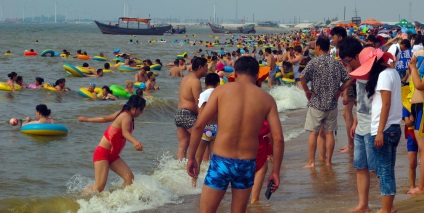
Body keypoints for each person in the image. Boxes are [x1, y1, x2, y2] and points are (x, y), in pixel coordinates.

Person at [186, 56, 284, 213]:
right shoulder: (267, 99)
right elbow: (278, 139)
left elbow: (198, 126)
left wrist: (191, 158)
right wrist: (275, 172)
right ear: (257, 75)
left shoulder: (221, 91)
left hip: (221, 163)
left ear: (235, 73)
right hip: (246, 164)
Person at [352, 46, 402, 213]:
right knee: (387, 169)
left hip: (385, 129)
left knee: (384, 171)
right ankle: (389, 207)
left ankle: (386, 209)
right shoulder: (392, 72)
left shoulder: (383, 76)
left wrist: (379, 131)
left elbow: (385, 104)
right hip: (393, 127)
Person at [338, 40, 379, 212]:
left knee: (377, 167)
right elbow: (361, 101)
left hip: (373, 126)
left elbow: (379, 101)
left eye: (348, 61)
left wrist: (380, 129)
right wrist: (355, 121)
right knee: (360, 167)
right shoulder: (359, 72)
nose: (348, 65)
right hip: (361, 123)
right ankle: (363, 205)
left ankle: (388, 205)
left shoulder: (374, 72)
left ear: (357, 56)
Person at [300, 35, 352, 168]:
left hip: (316, 103)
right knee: (329, 133)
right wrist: (340, 90)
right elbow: (349, 79)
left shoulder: (314, 62)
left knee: (314, 132)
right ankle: (328, 161)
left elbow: (302, 77)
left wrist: (307, 91)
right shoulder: (335, 63)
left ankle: (312, 162)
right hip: (332, 103)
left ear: (318, 47)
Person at [81, 95, 146, 193]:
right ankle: (81, 199)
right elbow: (125, 133)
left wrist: (86, 119)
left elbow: (105, 118)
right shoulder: (126, 116)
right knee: (99, 187)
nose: (141, 112)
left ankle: (118, 200)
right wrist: (135, 142)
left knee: (129, 178)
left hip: (113, 155)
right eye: (141, 109)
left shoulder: (123, 114)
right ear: (133, 108)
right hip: (103, 153)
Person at [175, 57, 208, 160]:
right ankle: (201, 166)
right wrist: (203, 120)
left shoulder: (186, 78)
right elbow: (199, 103)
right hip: (188, 114)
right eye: (206, 66)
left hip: (179, 114)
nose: (207, 69)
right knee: (203, 139)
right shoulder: (195, 81)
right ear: (200, 67)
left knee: (183, 143)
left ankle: (178, 167)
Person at [191, 73, 220, 187]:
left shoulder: (203, 94)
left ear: (205, 83)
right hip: (217, 128)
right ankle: (214, 184)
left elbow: (201, 113)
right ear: (218, 83)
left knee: (198, 158)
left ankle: (193, 184)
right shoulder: (219, 94)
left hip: (205, 128)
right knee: (215, 158)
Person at [407, 51, 424, 194]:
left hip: (422, 109)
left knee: (423, 150)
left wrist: (413, 68)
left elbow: (419, 85)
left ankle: (421, 187)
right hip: (417, 108)